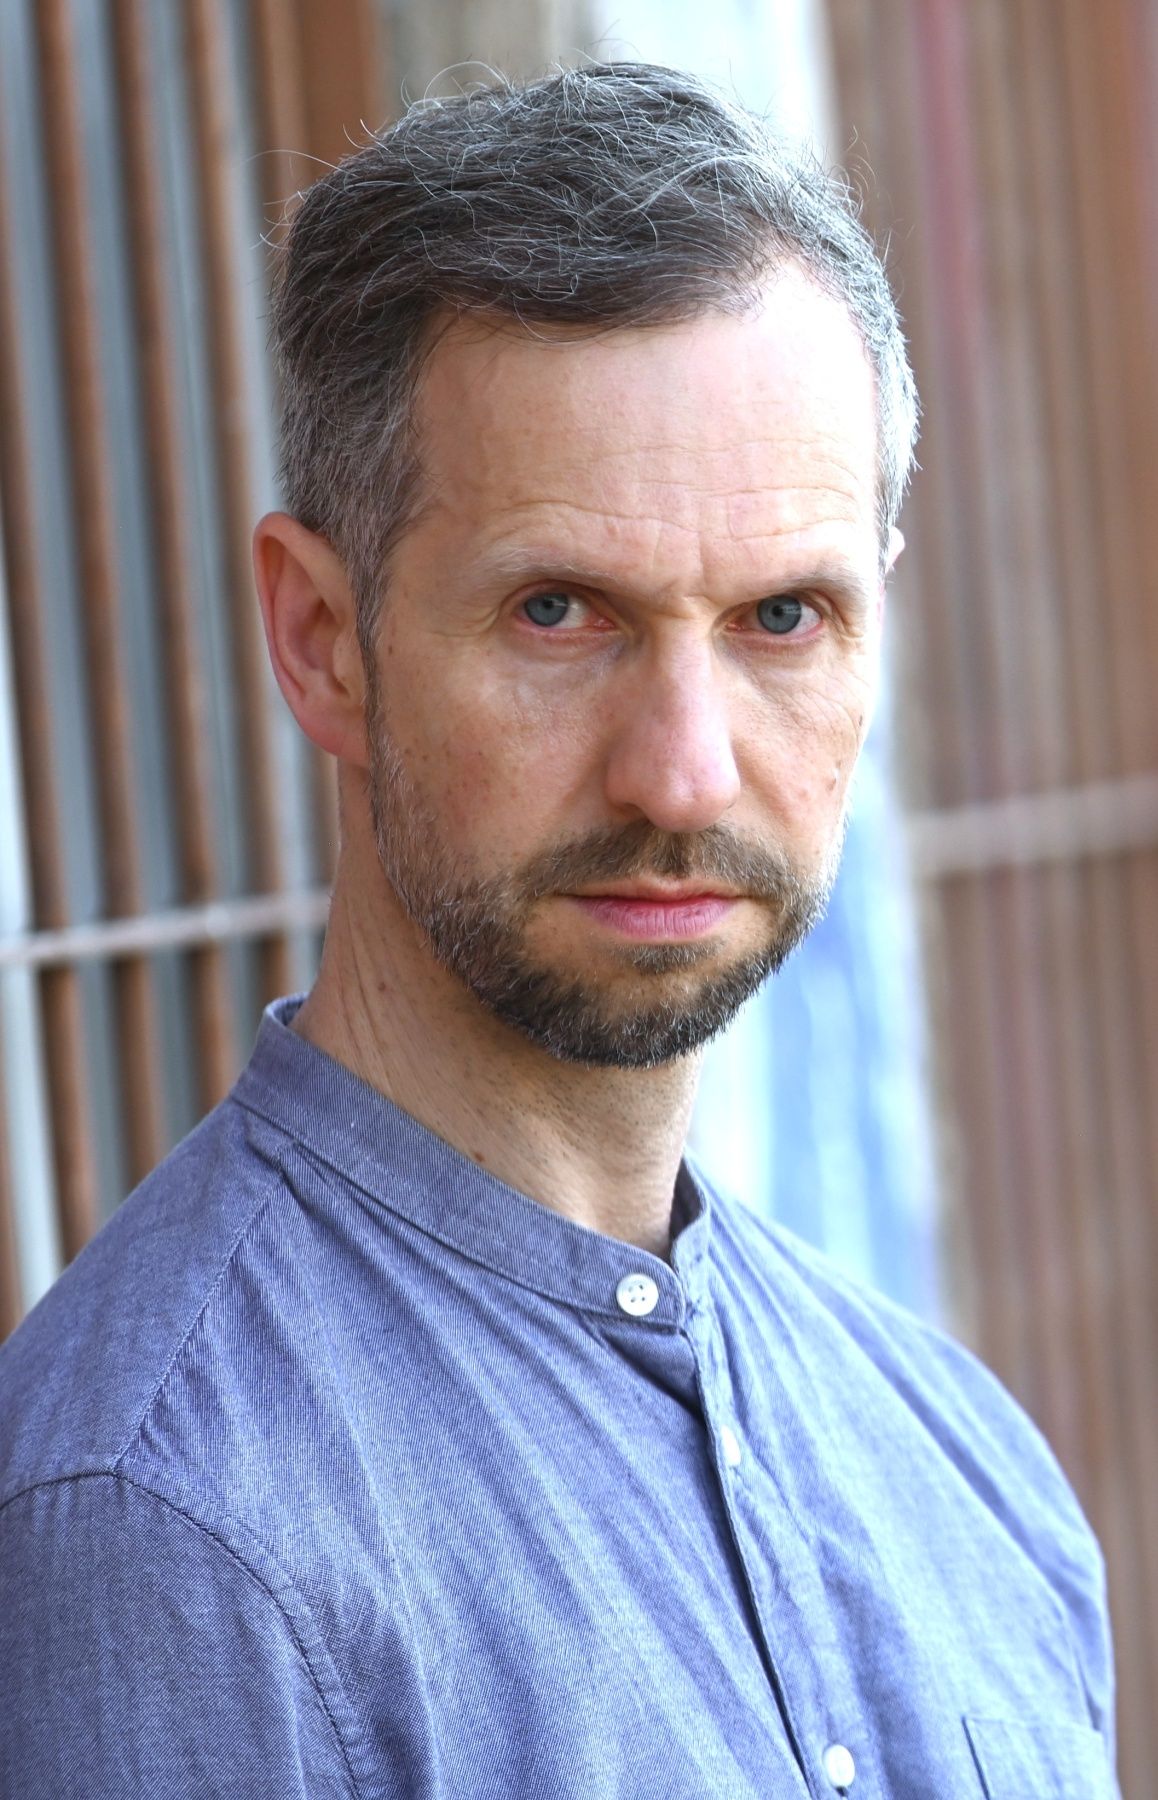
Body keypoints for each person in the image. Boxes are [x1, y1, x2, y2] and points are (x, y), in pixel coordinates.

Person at [0, 62, 1117, 1799]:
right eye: (557, 611)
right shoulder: (163, 1532)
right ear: (322, 640)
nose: (682, 770)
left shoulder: (966, 1468)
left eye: (782, 617)